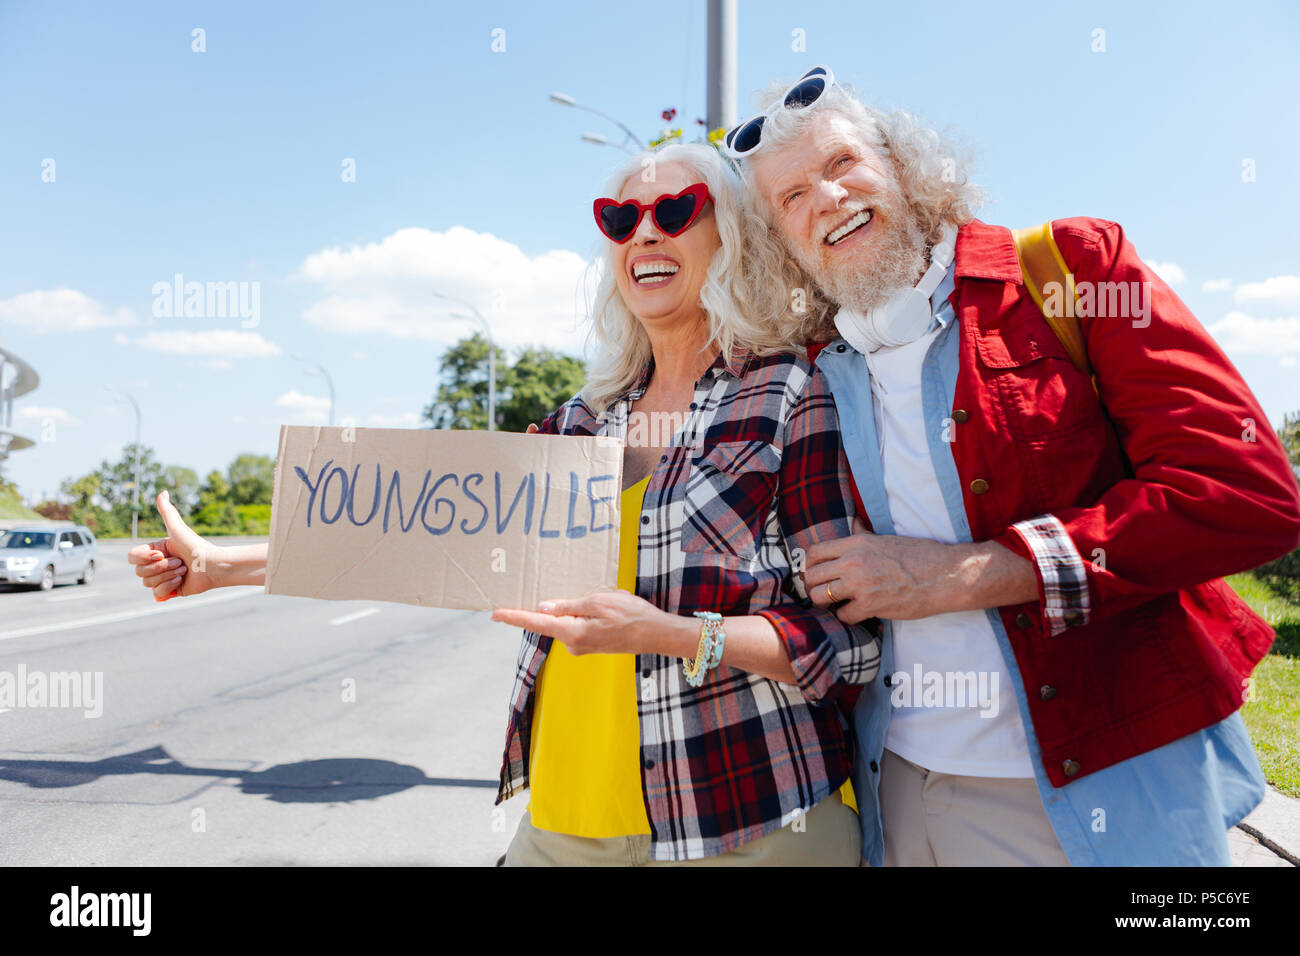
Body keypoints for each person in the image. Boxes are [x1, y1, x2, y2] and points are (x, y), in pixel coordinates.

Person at [126, 141, 881, 866]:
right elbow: (415, 540)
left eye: (676, 209)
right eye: (621, 218)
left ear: (732, 235)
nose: (645, 232)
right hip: (564, 821)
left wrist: (675, 635)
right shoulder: (581, 423)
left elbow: (849, 644)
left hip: (749, 821)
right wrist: (220, 566)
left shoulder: (790, 393)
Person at [725, 65, 1300, 866]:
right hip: (897, 787)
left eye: (842, 162)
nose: (826, 198)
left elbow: (1246, 495)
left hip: (1097, 781)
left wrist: (968, 574)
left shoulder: (1072, 269)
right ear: (782, 244)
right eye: (791, 197)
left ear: (903, 167)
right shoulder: (816, 369)